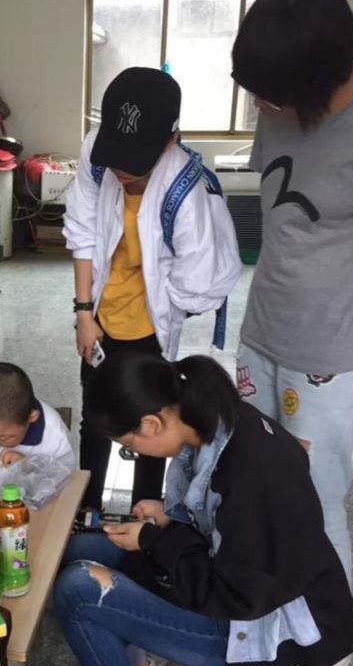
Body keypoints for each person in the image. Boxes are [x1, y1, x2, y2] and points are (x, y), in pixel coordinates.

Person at [49, 351, 353, 666]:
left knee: (79, 592)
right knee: (82, 549)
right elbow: (220, 528)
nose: (135, 453)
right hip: (236, 579)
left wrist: (157, 541)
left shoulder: (249, 476)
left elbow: (234, 596)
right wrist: (165, 518)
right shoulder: (220, 419)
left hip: (255, 627)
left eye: (129, 446)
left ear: (152, 423)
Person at [232, 0, 353, 629]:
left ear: (320, 80)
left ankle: (328, 631)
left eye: (273, 96)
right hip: (261, 332)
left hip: (333, 354)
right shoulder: (278, 100)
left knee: (314, 499)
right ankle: (262, 605)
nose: (262, 107)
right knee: (249, 480)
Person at [63, 67, 241, 512]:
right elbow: (83, 229)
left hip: (151, 327)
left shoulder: (185, 190)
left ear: (171, 139)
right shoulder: (96, 152)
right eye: (116, 154)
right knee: (96, 416)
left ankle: (145, 515)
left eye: (135, 158)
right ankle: (86, 511)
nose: (121, 170)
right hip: (102, 314)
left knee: (149, 424)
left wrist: (158, 304)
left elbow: (197, 285)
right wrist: (85, 313)